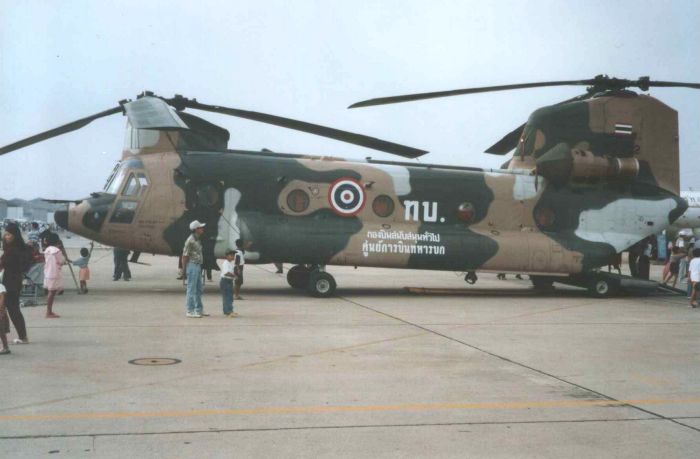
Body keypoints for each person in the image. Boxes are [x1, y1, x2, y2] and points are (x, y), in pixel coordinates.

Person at [0, 223, 30, 344]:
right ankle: (22, 336)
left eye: (8, 234)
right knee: (14, 310)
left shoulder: (12, 250)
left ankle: (23, 337)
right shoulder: (17, 248)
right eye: (5, 234)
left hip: (10, 282)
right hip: (14, 281)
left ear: (14, 235)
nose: (6, 236)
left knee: (13, 310)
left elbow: (3, 263)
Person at [183, 220, 207, 318]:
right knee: (191, 289)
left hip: (197, 265)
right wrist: (184, 270)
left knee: (198, 289)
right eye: (201, 227)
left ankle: (199, 310)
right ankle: (190, 310)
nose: (202, 229)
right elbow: (184, 255)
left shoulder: (197, 239)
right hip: (192, 265)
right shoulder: (190, 240)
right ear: (196, 229)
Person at [43, 233, 64, 318]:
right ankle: (49, 312)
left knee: (50, 292)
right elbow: (61, 261)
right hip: (54, 273)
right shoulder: (57, 250)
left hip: (47, 272)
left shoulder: (47, 249)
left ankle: (49, 311)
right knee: (52, 293)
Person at [220, 250, 238, 317]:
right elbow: (226, 273)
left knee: (230, 297)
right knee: (226, 297)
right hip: (225, 281)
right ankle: (227, 311)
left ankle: (230, 310)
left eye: (233, 255)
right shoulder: (226, 263)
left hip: (229, 281)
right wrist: (234, 276)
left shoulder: (231, 263)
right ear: (227, 256)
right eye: (231, 255)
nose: (233, 257)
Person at [0, 283, 10, 354]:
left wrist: (0, 309)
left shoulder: (1, 286)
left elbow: (2, 298)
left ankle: (6, 347)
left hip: (0, 312)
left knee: (1, 331)